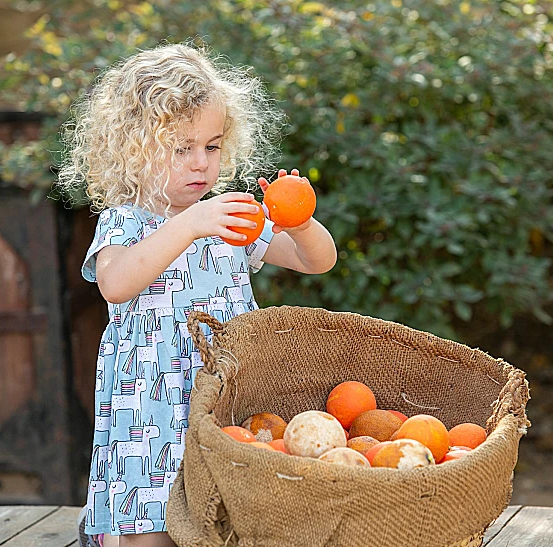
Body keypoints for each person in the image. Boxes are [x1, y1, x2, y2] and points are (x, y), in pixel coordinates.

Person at [60, 43, 337, 547]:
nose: (200, 164)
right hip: (152, 404)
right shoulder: (127, 221)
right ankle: (112, 536)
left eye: (211, 147)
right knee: (152, 524)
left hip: (223, 392)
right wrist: (189, 224)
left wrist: (301, 222)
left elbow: (315, 261)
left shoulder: (227, 219)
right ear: (133, 148)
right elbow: (116, 284)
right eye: (180, 148)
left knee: (228, 514)